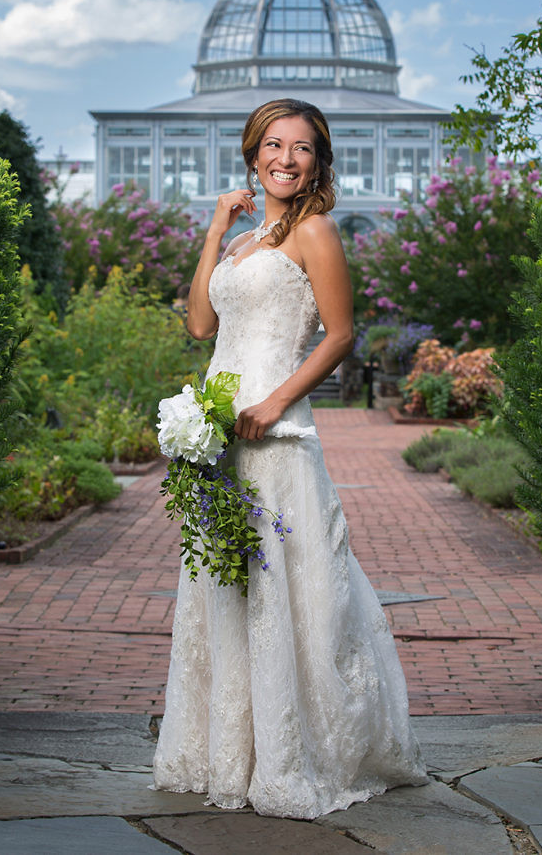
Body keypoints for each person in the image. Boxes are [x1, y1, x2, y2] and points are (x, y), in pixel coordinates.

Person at [153, 98, 428, 818]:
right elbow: (200, 323)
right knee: (228, 588)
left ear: (318, 161)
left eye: (301, 147)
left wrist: (274, 403)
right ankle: (231, 753)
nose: (285, 158)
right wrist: (216, 227)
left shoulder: (316, 232)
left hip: (275, 435)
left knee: (290, 587)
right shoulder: (244, 240)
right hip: (218, 435)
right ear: (252, 156)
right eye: (273, 145)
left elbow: (339, 336)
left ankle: (298, 753)